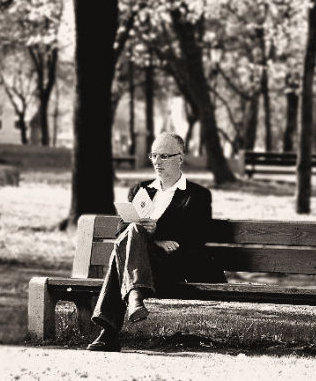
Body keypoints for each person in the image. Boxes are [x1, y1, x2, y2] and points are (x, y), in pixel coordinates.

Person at [87, 132, 221, 352]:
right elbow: (121, 231)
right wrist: (155, 240)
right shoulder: (141, 190)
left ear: (180, 158)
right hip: (143, 265)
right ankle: (135, 296)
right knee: (131, 231)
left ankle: (109, 331)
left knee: (122, 251)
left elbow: (198, 235)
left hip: (175, 265)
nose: (157, 162)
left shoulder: (196, 195)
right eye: (154, 156)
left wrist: (159, 231)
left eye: (164, 156)